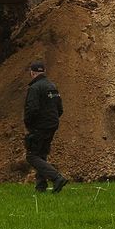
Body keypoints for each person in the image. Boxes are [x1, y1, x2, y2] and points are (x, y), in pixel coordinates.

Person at [24, 60, 67, 193]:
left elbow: (32, 110)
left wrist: (29, 125)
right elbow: (59, 109)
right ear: (44, 72)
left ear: (32, 73)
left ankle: (56, 177)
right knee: (41, 154)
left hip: (39, 126)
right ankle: (40, 186)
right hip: (52, 125)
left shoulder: (35, 88)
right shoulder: (52, 86)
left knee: (32, 156)